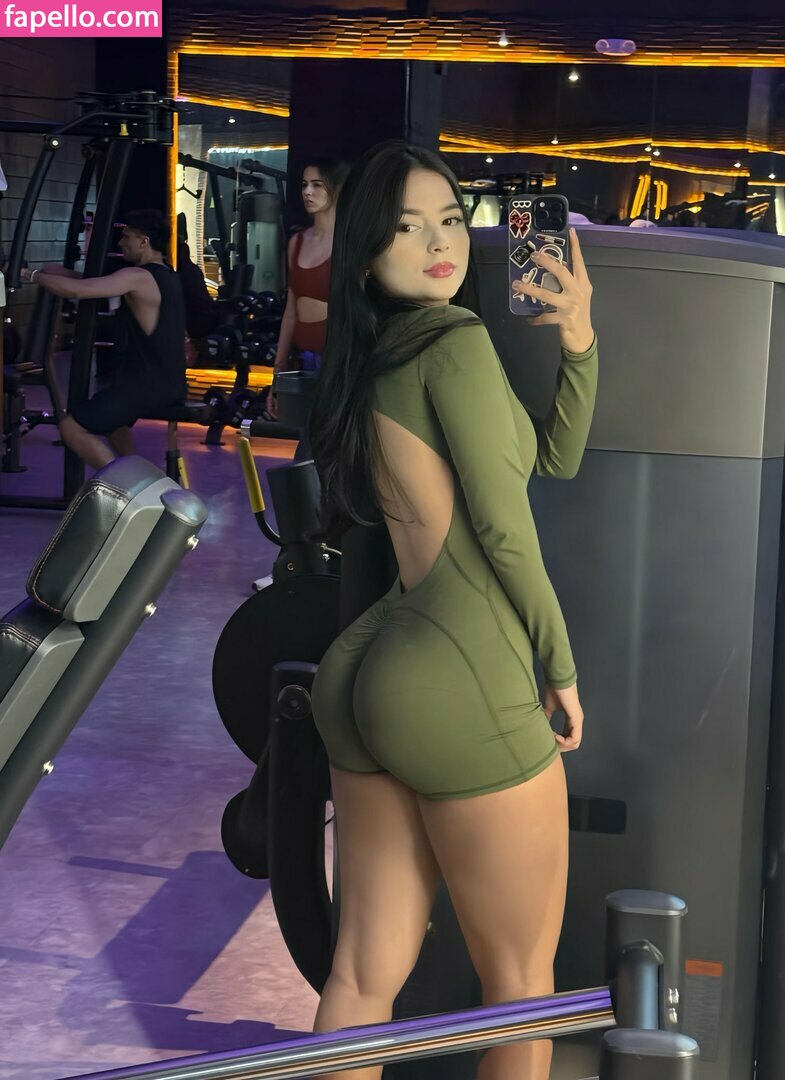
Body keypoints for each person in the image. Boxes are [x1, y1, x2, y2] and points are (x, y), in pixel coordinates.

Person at [308, 141, 598, 1080]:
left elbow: (550, 458)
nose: (439, 244)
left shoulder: (384, 354)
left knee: (360, 976)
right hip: (462, 671)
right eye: (406, 227)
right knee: (519, 985)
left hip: (371, 666)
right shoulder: (455, 342)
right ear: (364, 253)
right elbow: (505, 532)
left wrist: (577, 338)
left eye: (447, 219)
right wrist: (558, 667)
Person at [20, 209, 187, 470]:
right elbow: (96, 283)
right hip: (166, 382)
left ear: (144, 241)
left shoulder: (138, 277)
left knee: (71, 428)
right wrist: (52, 271)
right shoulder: (164, 275)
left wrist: (29, 276)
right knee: (113, 424)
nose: (121, 243)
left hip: (148, 386)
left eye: (126, 237)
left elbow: (77, 291)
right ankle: (139, 476)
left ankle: (126, 487)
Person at [268, 158, 348, 419]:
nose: (307, 192)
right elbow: (291, 311)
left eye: (317, 185)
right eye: (304, 185)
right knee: (305, 435)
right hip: (304, 358)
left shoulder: (350, 244)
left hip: (339, 363)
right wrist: (278, 372)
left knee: (330, 437)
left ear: (336, 188)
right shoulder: (297, 242)